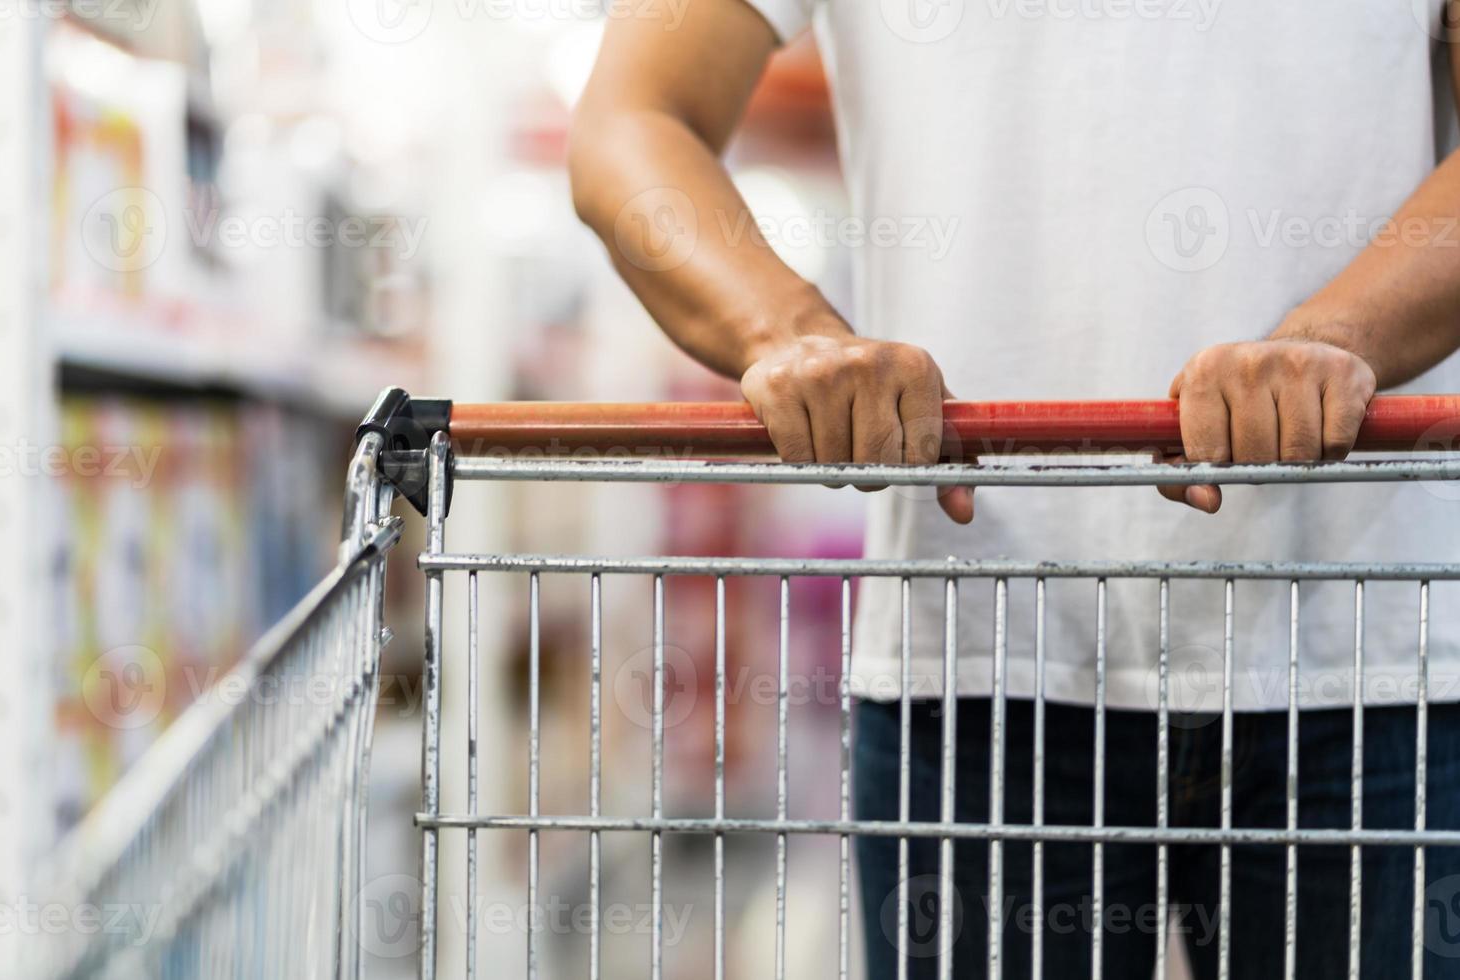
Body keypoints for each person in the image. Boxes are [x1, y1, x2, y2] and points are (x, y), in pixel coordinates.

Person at [567, 1, 1460, 975]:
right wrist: (790, 332)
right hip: (976, 662)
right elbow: (633, 116)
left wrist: (1338, 340)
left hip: (1379, 663)